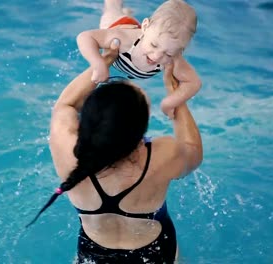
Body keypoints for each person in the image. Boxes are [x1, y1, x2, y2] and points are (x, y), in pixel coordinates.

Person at [27, 39, 202, 263]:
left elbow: (65, 105)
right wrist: (174, 92)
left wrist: (105, 60)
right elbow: (194, 151)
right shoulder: (162, 154)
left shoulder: (66, 150)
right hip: (154, 253)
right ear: (139, 129)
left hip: (93, 253)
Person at [77, 0, 201, 118]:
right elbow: (85, 37)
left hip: (145, 32)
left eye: (168, 53)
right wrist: (98, 64)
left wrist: (169, 102)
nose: (157, 56)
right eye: (154, 45)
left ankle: (129, 14)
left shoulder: (173, 57)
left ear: (180, 50)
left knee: (149, 32)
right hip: (119, 24)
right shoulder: (123, 39)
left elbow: (194, 82)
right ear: (145, 26)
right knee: (112, 8)